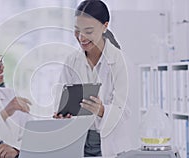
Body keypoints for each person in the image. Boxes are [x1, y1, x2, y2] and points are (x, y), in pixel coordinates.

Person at [55, 0, 132, 157]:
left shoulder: (120, 62)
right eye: (77, 30)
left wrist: (102, 110)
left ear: (105, 26)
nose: (81, 37)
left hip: (109, 143)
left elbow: (126, 111)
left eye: (88, 31)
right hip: (78, 140)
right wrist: (61, 114)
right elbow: (61, 97)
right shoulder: (72, 60)